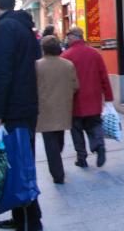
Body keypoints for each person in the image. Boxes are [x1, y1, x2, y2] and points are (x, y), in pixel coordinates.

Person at [0, 0, 42, 231]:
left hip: (14, 107)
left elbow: (2, 72)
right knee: (21, 162)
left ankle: (31, 221)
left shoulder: (3, 28)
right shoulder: (25, 27)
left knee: (18, 166)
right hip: (27, 104)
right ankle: (21, 217)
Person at [61, 26, 114, 168]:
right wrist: (108, 97)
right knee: (94, 125)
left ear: (73, 37)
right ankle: (99, 146)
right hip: (93, 99)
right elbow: (104, 76)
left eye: (68, 37)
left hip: (75, 101)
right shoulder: (95, 54)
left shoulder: (65, 56)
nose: (67, 39)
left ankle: (82, 158)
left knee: (76, 130)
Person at [35, 35, 78, 184]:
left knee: (50, 143)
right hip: (63, 108)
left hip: (45, 109)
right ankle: (57, 167)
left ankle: (57, 173)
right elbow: (75, 86)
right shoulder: (68, 65)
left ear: (43, 48)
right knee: (59, 138)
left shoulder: (37, 66)